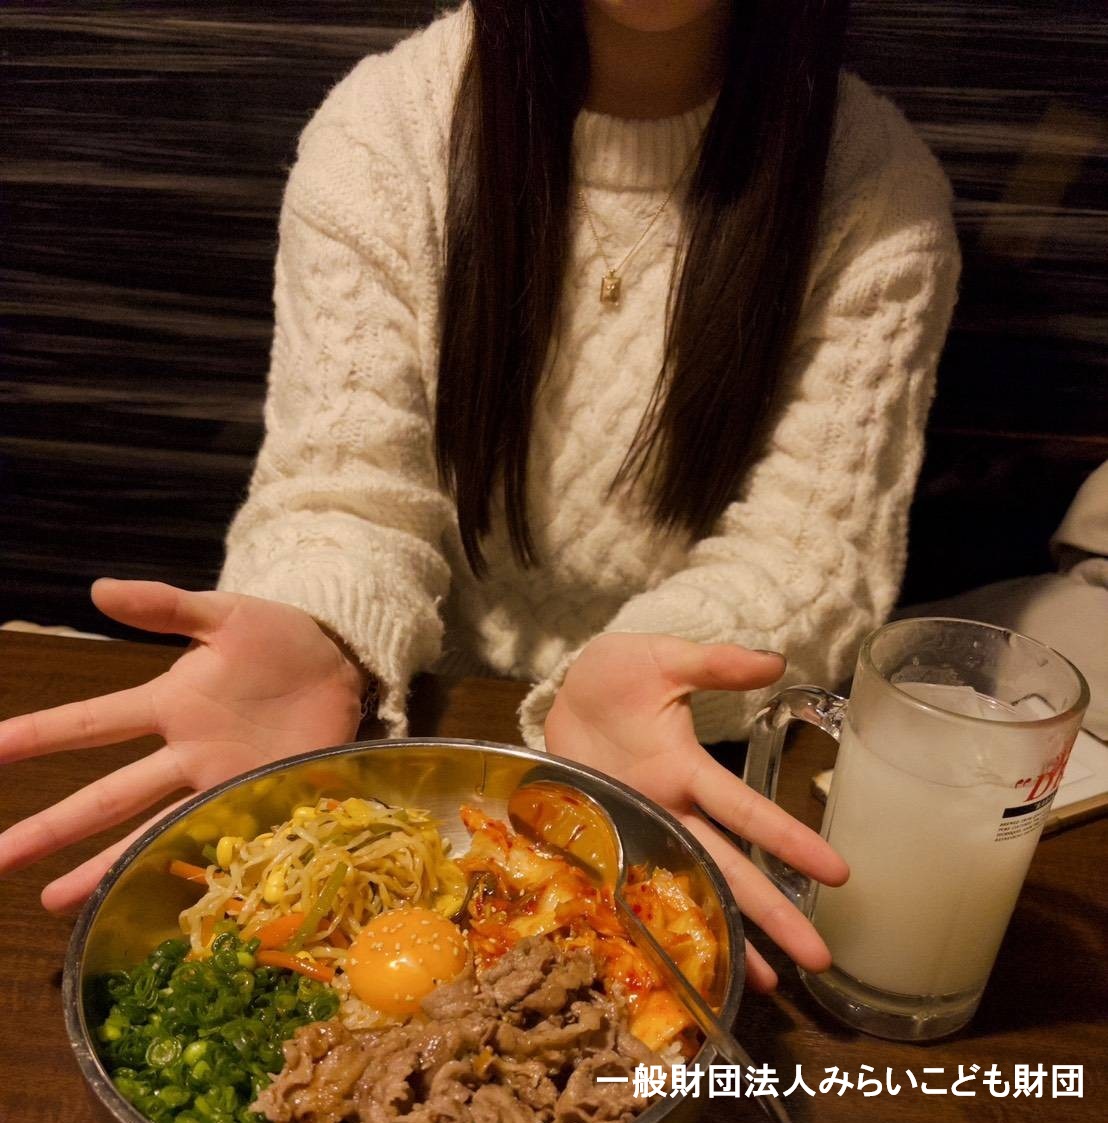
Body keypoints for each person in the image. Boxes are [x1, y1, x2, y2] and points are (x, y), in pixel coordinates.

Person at [0, 0, 959, 993]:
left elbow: (809, 553)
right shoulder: (384, 131)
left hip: (672, 755)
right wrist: (322, 625)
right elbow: (347, 491)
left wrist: (651, 656)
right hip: (411, 736)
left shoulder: (875, 187)